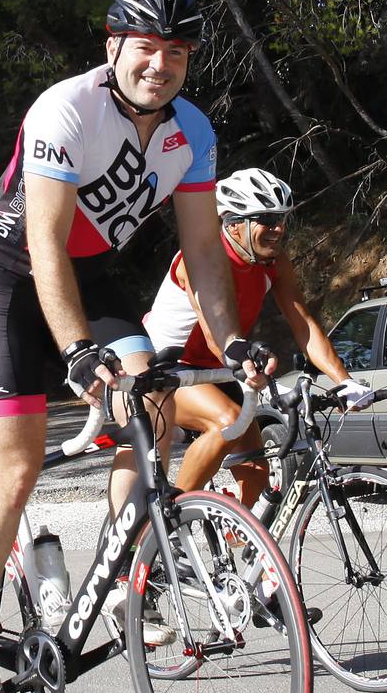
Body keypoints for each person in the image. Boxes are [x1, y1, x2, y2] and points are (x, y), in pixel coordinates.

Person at [0, 0, 270, 693]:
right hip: (2, 272)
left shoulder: (191, 129)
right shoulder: (65, 109)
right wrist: (76, 352)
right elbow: (44, 243)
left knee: (152, 402)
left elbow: (203, 252)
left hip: (87, 274)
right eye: (146, 48)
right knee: (19, 465)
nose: (159, 64)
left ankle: (128, 574)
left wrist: (233, 340)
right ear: (113, 47)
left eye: (177, 52)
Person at [145, 167, 371, 505]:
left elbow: (304, 325)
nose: (279, 229)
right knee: (227, 420)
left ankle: (245, 548)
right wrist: (251, 363)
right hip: (167, 367)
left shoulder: (274, 263)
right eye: (267, 219)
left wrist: (344, 380)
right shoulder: (201, 260)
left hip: (221, 369)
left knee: (255, 471)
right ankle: (167, 524)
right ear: (234, 224)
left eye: (282, 219)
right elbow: (213, 333)